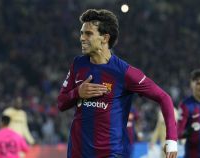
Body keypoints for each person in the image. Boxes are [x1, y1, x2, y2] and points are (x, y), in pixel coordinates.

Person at [57, 9, 177, 158]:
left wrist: (171, 139)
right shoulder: (78, 64)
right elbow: (61, 103)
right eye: (82, 33)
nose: (82, 38)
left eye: (88, 33)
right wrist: (77, 93)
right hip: (77, 153)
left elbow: (164, 98)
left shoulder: (124, 72)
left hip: (111, 154)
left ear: (105, 38)